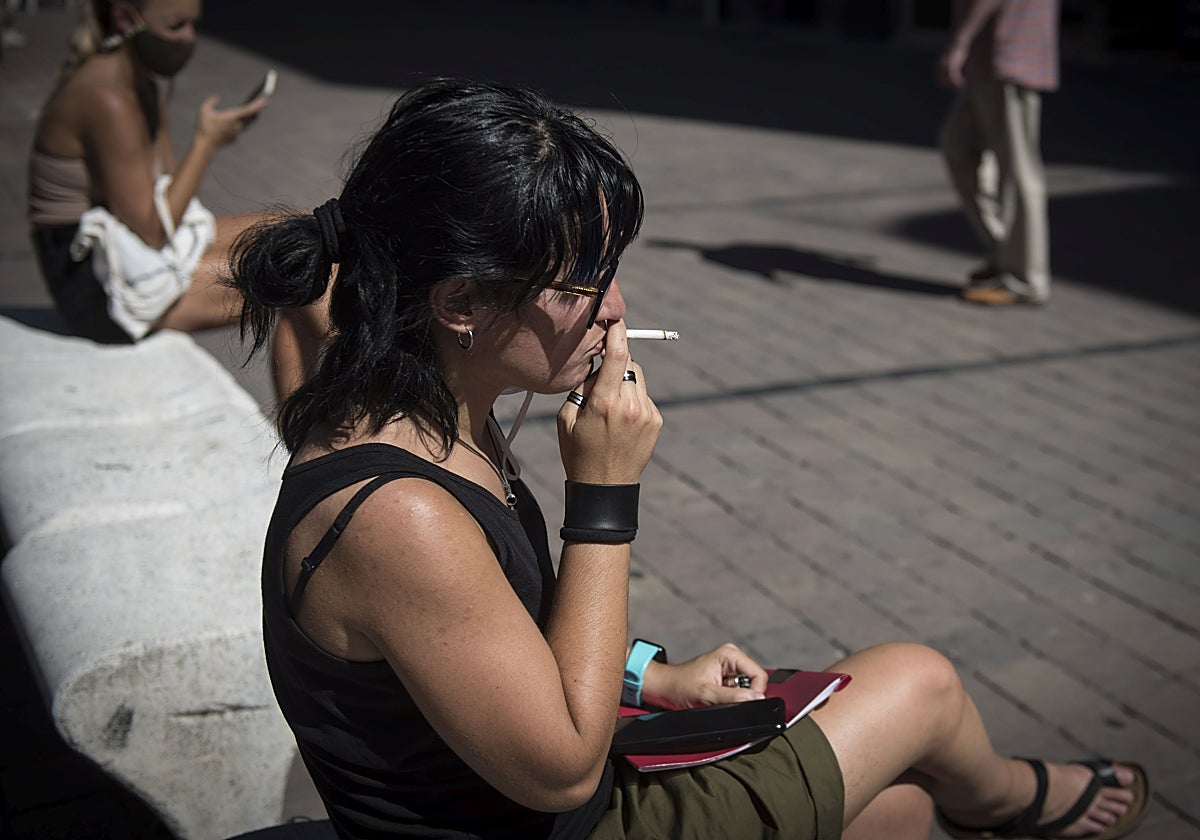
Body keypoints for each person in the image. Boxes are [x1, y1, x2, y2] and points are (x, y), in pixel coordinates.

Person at [229, 79, 1150, 839]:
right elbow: (557, 768)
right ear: (460, 300)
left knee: (902, 811)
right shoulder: (401, 512)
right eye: (583, 280)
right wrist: (604, 492)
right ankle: (1016, 801)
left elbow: (477, 630)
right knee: (921, 681)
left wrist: (649, 677)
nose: (616, 307)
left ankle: (994, 802)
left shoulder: (402, 397)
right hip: (562, 820)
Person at [27, 0, 325, 399]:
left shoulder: (142, 82)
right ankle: (309, 444)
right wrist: (206, 142)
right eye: (175, 26)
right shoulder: (105, 96)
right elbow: (151, 228)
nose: (189, 39)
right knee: (298, 274)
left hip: (131, 248)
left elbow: (167, 199)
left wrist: (210, 140)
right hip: (98, 285)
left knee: (307, 235)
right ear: (123, 18)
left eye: (193, 25)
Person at [937, 0, 1060, 306]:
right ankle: (1008, 253)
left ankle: (1026, 279)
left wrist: (959, 42)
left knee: (1019, 171)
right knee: (958, 147)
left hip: (1007, 56)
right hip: (991, 58)